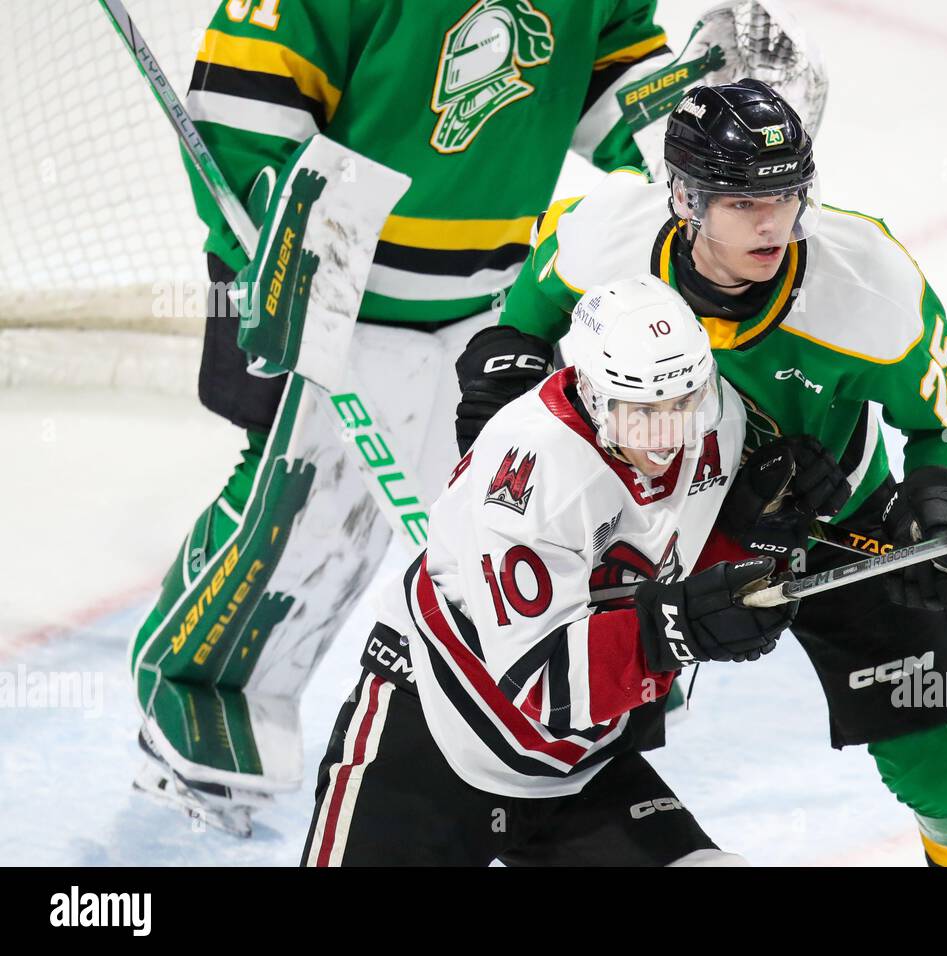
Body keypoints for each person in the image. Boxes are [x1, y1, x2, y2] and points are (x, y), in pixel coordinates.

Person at [130, 0, 692, 835]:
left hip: (494, 295)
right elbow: (244, 109)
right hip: (328, 284)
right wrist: (288, 244)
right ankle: (196, 728)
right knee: (306, 525)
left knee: (519, 521)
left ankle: (546, 706)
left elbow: (612, 76)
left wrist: (694, 114)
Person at [454, 80, 947, 866]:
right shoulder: (606, 237)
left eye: (790, 194)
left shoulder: (868, 282)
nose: (774, 224)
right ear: (686, 200)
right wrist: (502, 382)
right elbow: (526, 323)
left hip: (837, 529)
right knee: (564, 720)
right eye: (742, 204)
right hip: (656, 530)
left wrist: (936, 502)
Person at [302, 276, 796, 865]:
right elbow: (542, 684)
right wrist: (682, 628)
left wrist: (749, 543)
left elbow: (680, 563)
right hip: (438, 723)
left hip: (580, 758)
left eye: (682, 406)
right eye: (644, 415)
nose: (668, 437)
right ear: (590, 392)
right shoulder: (536, 471)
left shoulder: (717, 420)